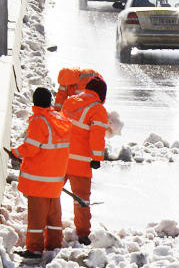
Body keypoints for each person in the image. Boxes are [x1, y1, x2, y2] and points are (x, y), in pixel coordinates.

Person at [10, 87, 70, 259]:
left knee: (36, 218)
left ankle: (35, 250)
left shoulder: (39, 121)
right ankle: (54, 246)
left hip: (39, 180)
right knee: (53, 217)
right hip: (56, 179)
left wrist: (15, 153)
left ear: (34, 102)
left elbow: (31, 147)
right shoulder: (60, 119)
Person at [61, 77, 108, 245]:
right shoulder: (98, 110)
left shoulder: (70, 102)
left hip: (60, 157)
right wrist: (96, 158)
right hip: (80, 162)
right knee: (82, 200)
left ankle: (47, 226)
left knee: (51, 194)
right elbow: (96, 137)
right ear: (101, 94)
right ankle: (82, 234)